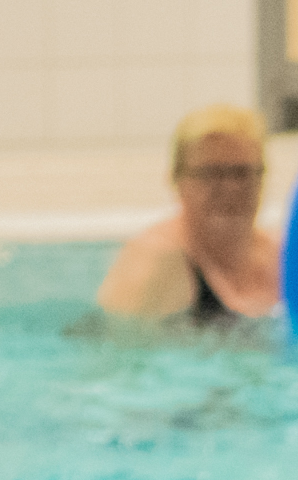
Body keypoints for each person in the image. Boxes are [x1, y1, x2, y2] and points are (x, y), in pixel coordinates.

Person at [95, 104, 281, 325]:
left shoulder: (281, 256)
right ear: (177, 180)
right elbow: (113, 352)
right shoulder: (157, 262)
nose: (230, 188)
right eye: (211, 174)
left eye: (241, 173)